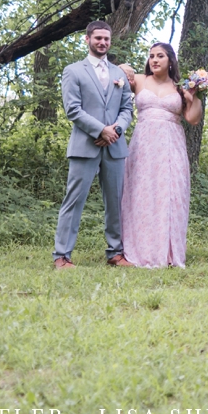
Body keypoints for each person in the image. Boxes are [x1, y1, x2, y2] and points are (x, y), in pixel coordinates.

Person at [52, 21, 136, 269]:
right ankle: (62, 255)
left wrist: (116, 130)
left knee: (116, 201)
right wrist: (101, 130)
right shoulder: (73, 71)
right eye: (98, 38)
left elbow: (126, 108)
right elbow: (73, 109)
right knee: (74, 200)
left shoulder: (119, 74)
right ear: (87, 39)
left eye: (107, 39)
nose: (103, 43)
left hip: (115, 147)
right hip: (85, 146)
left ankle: (116, 252)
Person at [116, 43, 202, 267]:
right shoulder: (141, 81)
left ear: (170, 60)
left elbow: (192, 119)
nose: (154, 60)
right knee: (141, 192)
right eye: (151, 56)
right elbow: (118, 74)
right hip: (143, 143)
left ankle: (166, 250)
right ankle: (138, 248)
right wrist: (124, 69)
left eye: (160, 56)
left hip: (170, 144)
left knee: (168, 193)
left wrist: (196, 96)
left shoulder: (180, 88)